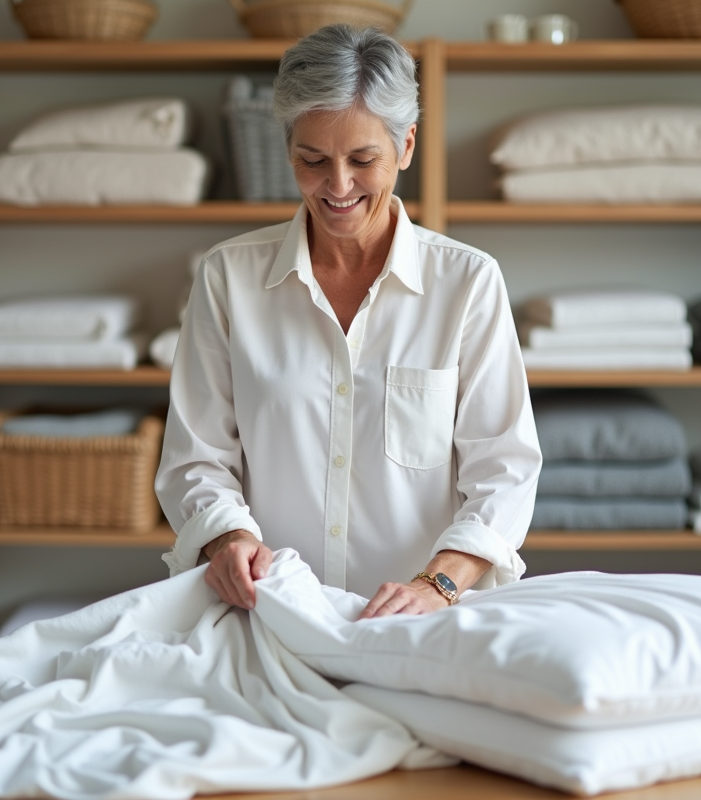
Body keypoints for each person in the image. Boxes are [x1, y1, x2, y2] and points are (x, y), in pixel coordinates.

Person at [155, 24, 540, 619]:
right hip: (270, 614)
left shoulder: (466, 283)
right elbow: (196, 456)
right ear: (288, 150)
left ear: (406, 146)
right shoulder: (228, 279)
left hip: (429, 623)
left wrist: (436, 586)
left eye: (363, 160)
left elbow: (504, 470)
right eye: (313, 161)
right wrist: (228, 537)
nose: (338, 187)